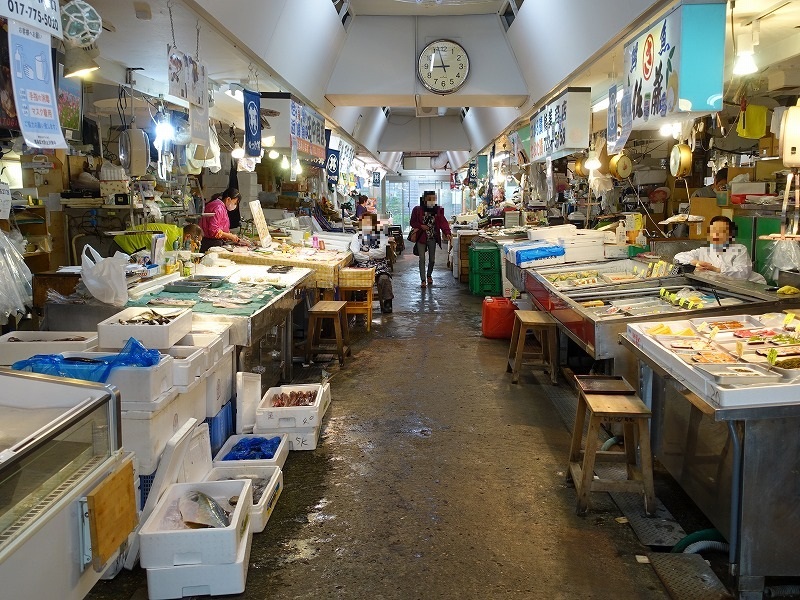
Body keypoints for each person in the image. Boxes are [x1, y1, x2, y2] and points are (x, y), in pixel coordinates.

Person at [674, 215, 766, 283]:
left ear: (730, 234)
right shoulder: (704, 251)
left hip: (750, 287)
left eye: (721, 231)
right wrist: (696, 262)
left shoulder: (739, 249)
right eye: (713, 231)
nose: (716, 235)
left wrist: (715, 269)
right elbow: (679, 257)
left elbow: (742, 273)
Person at [349, 213, 394, 313]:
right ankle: (360, 304)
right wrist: (372, 255)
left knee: (384, 279)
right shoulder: (356, 237)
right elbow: (356, 255)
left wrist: (367, 253)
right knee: (358, 283)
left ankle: (387, 302)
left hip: (379, 266)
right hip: (362, 267)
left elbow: (382, 253)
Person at [410, 190, 452, 288]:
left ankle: (429, 275)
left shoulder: (438, 210)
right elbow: (412, 222)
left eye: (434, 199)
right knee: (422, 259)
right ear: (424, 199)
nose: (432, 201)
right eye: (429, 199)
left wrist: (447, 232)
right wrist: (421, 226)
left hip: (432, 237)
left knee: (432, 260)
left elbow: (443, 222)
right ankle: (423, 280)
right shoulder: (417, 209)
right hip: (421, 238)